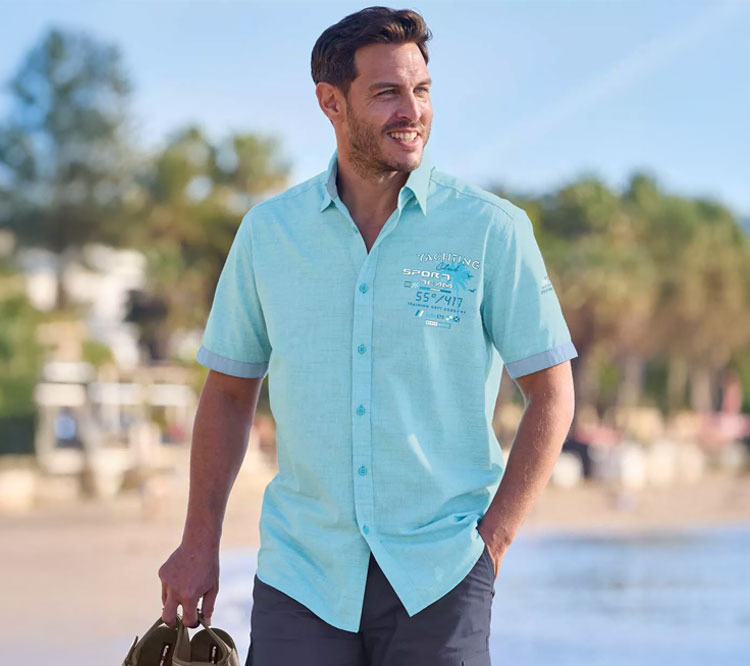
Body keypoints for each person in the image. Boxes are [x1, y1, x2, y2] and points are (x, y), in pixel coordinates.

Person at [158, 6, 578, 665]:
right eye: (387, 93)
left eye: (422, 90)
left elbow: (552, 394)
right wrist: (198, 541)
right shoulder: (270, 235)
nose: (412, 112)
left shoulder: (491, 230)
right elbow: (230, 393)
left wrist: (492, 544)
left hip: (440, 577)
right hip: (302, 577)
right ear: (331, 102)